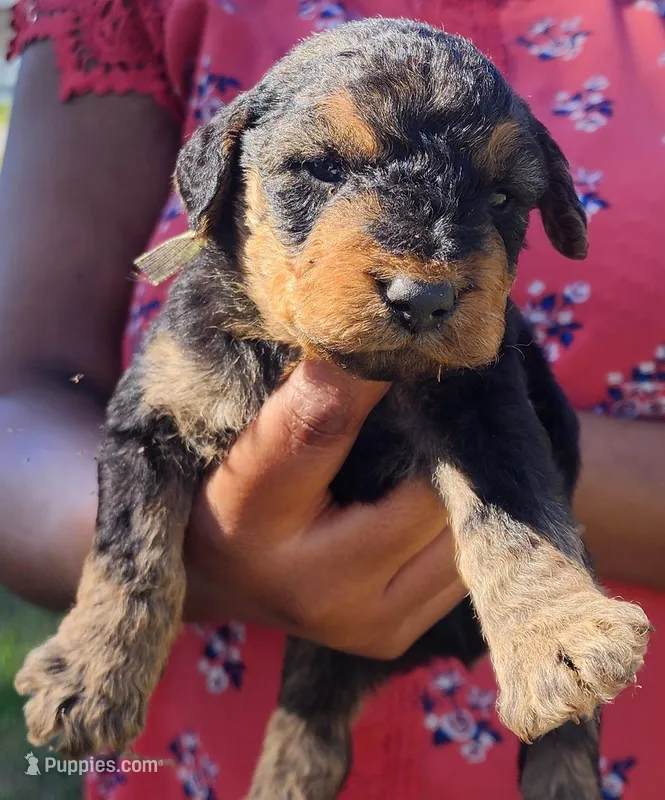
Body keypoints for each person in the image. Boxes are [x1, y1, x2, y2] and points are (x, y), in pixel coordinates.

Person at [0, 1, 663, 798]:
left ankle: (561, 755)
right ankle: (304, 731)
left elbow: (513, 452)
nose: (425, 274)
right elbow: (69, 409)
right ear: (222, 169)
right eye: (323, 169)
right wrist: (159, 589)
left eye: (497, 200)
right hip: (201, 735)